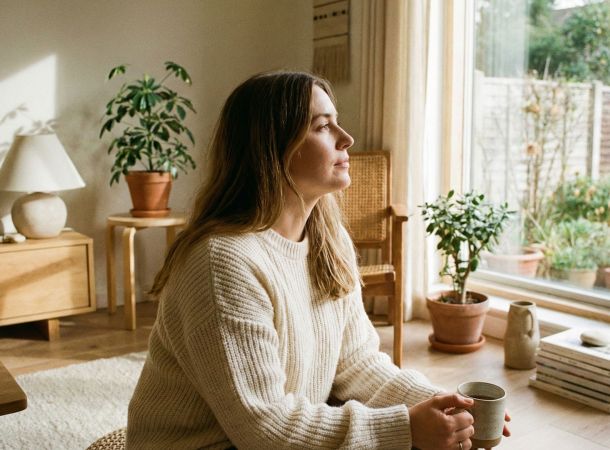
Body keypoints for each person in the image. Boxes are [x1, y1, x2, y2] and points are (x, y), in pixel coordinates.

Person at [127, 71, 508, 449]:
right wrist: (405, 428)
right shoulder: (222, 262)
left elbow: (356, 364)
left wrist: (442, 404)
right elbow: (264, 427)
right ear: (272, 148)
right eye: (323, 126)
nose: (347, 139)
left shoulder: (329, 240)